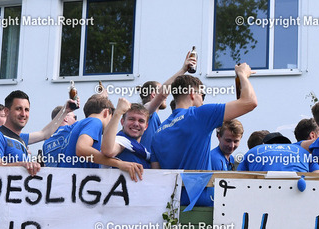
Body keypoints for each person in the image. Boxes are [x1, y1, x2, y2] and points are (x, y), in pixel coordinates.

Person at [151, 63, 257, 205]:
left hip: (173, 205)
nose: (203, 101)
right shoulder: (198, 115)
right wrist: (242, 74)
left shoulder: (158, 133)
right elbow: (250, 102)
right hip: (201, 204)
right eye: (202, 95)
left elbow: (157, 176)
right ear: (192, 93)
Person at [0, 91, 76, 174]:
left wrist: (65, 110)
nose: (23, 114)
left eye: (26, 110)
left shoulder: (21, 138)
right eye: (18, 109)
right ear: (6, 111)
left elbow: (45, 133)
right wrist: (22, 164)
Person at [57, 94, 144, 182]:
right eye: (111, 118)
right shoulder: (95, 121)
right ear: (106, 113)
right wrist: (118, 163)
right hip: (73, 181)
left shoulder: (76, 126)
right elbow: (82, 149)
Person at [138, 53, 197, 149]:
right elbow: (163, 93)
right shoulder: (145, 112)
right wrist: (183, 70)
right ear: (154, 95)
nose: (167, 96)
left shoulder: (154, 119)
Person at [101, 99, 159, 169]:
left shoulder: (144, 152)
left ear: (146, 126)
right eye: (131, 119)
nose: (136, 124)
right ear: (122, 122)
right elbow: (108, 150)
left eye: (141, 121)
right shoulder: (121, 142)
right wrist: (118, 113)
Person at [236, 132, 319, 173]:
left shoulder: (253, 151)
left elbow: (239, 178)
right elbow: (318, 176)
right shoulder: (302, 151)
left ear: (265, 144)